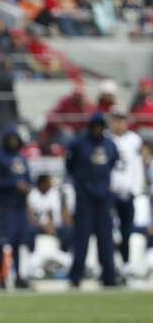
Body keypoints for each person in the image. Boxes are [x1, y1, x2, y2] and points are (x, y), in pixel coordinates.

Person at [66, 112, 118, 287]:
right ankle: (76, 277)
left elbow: (111, 165)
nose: (97, 129)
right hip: (85, 198)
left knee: (106, 239)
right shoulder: (79, 144)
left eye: (100, 126)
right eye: (95, 126)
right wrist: (83, 186)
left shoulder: (110, 145)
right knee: (81, 238)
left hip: (104, 198)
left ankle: (109, 276)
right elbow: (70, 167)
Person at [0, 127, 31, 289]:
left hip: (20, 206)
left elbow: (28, 177)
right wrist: (14, 184)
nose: (13, 143)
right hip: (6, 205)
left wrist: (28, 186)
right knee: (4, 241)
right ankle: (1, 276)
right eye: (10, 139)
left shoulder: (21, 158)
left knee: (17, 242)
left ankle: (18, 275)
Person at [109, 110, 144, 271]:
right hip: (110, 192)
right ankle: (110, 264)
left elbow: (137, 166)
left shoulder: (134, 140)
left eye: (121, 120)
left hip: (127, 192)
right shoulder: (106, 139)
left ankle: (125, 264)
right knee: (109, 230)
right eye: (116, 120)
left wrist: (135, 188)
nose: (119, 124)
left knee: (126, 231)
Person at [26, 175, 73, 278]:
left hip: (56, 226)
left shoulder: (56, 193)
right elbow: (31, 215)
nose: (51, 184)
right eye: (48, 182)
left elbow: (61, 212)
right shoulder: (32, 194)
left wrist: (54, 225)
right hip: (39, 226)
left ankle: (67, 258)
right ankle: (32, 258)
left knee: (68, 231)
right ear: (42, 183)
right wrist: (44, 225)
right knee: (29, 231)